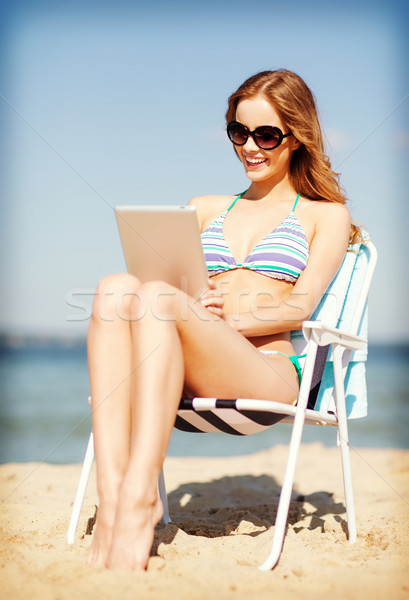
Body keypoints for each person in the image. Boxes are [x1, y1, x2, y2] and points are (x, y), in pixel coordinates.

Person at [86, 69, 357, 571]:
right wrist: (188, 305)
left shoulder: (325, 213)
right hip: (187, 355)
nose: (250, 146)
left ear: (296, 136)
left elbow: (300, 306)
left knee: (159, 298)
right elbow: (165, 287)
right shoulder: (205, 206)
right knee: (114, 288)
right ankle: (112, 499)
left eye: (266, 134)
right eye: (239, 131)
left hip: (267, 368)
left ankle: (143, 494)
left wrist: (229, 316)